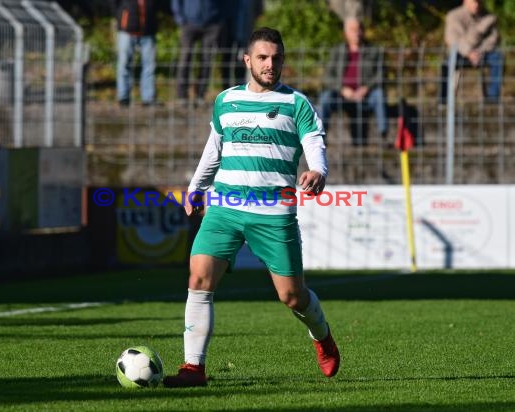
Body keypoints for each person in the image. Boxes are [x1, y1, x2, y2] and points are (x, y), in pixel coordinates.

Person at [162, 27, 340, 388]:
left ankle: (322, 336)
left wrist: (318, 170)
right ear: (248, 60)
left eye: (275, 58)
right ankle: (193, 369)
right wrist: (197, 188)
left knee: (292, 297)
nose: (269, 64)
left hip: (274, 214)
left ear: (283, 61)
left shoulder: (296, 104)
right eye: (262, 57)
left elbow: (314, 144)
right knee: (198, 279)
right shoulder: (226, 100)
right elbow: (214, 149)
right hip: (225, 206)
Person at [319, 17, 387, 146]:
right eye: (353, 30)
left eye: (359, 29)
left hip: (367, 95)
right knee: (326, 97)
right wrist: (342, 89)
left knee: (379, 95)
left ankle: (383, 135)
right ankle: (321, 137)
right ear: (346, 33)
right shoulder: (337, 52)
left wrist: (366, 88)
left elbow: (381, 74)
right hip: (342, 96)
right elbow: (328, 76)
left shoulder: (374, 51)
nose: (357, 32)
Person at [441, 0, 503, 104]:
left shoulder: (488, 17)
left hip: (482, 53)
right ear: (465, 1)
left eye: (479, 2)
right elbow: (452, 40)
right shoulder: (453, 16)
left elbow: (493, 39)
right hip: (461, 54)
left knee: (497, 58)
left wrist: (479, 51)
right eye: (474, 2)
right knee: (447, 64)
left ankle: (493, 99)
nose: (476, 5)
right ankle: (444, 100)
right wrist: (469, 52)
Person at [171, 0, 227, 105]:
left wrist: (219, 21)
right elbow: (176, 3)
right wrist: (180, 19)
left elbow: (224, 4)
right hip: (188, 24)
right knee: (185, 59)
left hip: (211, 25)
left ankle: (200, 95)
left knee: (206, 61)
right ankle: (182, 96)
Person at [115, 0, 159, 107]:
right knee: (124, 64)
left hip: (148, 30)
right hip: (127, 30)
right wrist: (121, 16)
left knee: (150, 65)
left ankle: (148, 98)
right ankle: (123, 97)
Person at [220, 0, 264, 90]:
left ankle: (240, 89)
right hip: (227, 32)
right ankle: (226, 89)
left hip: (245, 32)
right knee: (226, 61)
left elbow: (258, 10)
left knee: (241, 61)